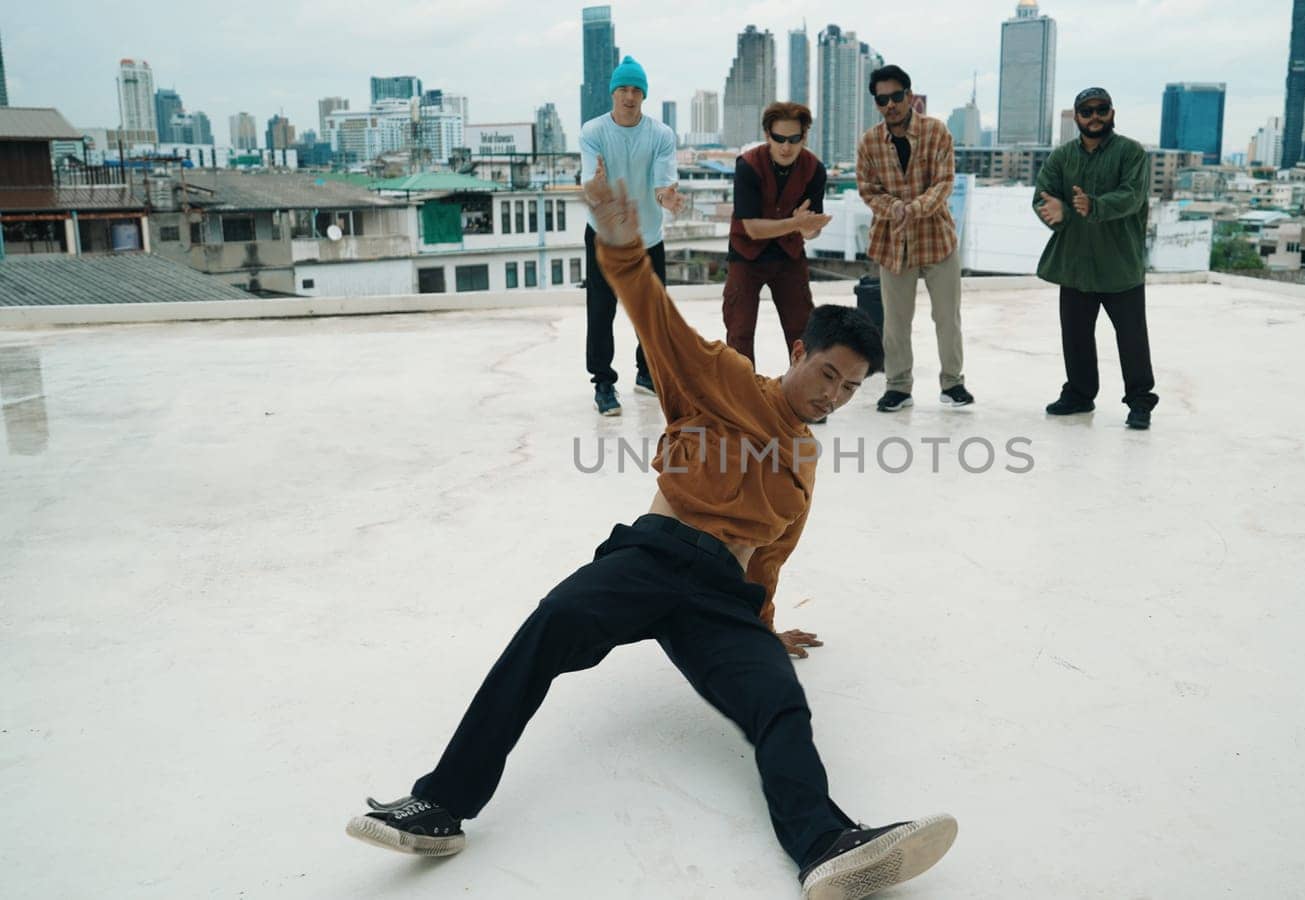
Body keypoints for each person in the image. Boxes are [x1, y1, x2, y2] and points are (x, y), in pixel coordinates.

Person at [345, 160, 959, 900]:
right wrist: (622, 245)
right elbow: (651, 312)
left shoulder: (804, 458)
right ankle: (442, 805)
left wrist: (765, 628)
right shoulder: (723, 378)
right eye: (828, 374)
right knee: (549, 626)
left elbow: (770, 557)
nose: (833, 397)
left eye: (850, 389)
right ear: (799, 352)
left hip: (721, 601)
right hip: (653, 555)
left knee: (779, 702)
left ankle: (826, 844)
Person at [1033, 87, 1158, 430]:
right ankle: (1079, 394)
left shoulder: (1130, 153)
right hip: (1075, 264)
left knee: (1131, 338)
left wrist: (1095, 205)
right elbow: (1042, 197)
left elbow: (1132, 197)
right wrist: (1054, 213)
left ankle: (1140, 402)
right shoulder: (1061, 158)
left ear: (1112, 113)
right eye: (1086, 112)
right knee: (1075, 336)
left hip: (1119, 264)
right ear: (1076, 118)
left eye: (1101, 109)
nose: (1094, 117)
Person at [855, 64, 973, 412]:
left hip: (937, 239)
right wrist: (894, 208)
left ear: (909, 96)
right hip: (893, 243)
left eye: (895, 96)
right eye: (881, 99)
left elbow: (944, 182)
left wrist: (915, 208)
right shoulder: (869, 142)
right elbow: (867, 189)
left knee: (947, 317)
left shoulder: (937, 132)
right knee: (896, 321)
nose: (889, 105)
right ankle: (898, 387)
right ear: (875, 102)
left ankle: (953, 383)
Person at [579, 55, 686, 416]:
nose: (630, 96)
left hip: (648, 237)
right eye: (623, 89)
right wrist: (594, 186)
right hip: (605, 235)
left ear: (644, 95)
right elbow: (592, 181)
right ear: (613, 93)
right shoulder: (593, 132)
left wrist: (666, 196)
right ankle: (604, 383)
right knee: (601, 310)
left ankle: (646, 373)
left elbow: (662, 181)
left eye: (636, 90)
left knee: (651, 312)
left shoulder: (660, 135)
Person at [724, 102, 830, 369]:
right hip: (746, 254)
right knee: (739, 331)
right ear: (767, 135)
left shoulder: (814, 169)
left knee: (803, 330)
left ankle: (806, 397)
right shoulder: (748, 165)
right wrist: (796, 223)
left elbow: (811, 229)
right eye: (779, 138)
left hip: (789, 254)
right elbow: (752, 228)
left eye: (794, 139)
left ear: (804, 136)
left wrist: (810, 228)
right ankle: (742, 399)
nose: (786, 147)